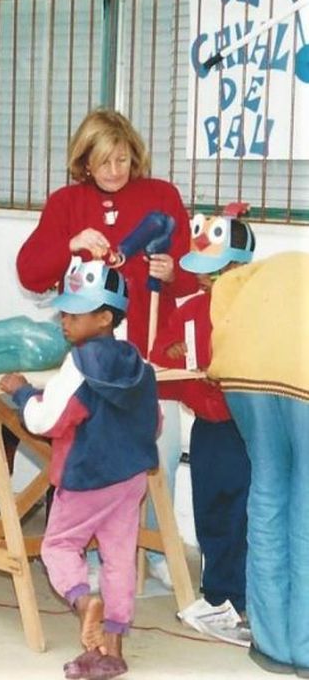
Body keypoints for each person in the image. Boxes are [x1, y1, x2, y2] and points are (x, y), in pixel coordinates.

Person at [16, 108, 196, 587]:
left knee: (159, 451)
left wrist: (173, 273)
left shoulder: (161, 196)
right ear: (84, 162)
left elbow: (192, 276)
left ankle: (155, 547)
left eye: (122, 160)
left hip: (150, 353)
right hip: (91, 359)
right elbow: (30, 273)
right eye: (103, 162)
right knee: (93, 457)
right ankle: (89, 553)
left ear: (135, 156)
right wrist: (69, 244)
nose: (115, 171)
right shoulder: (66, 202)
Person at [0, 259, 159, 680]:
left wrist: (23, 393)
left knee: (58, 546)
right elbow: (155, 421)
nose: (64, 320)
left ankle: (86, 603)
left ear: (105, 317)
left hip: (87, 475)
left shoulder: (80, 364)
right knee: (119, 556)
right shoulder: (136, 361)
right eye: (64, 312)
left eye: (75, 313)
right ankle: (112, 649)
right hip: (130, 476)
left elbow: (45, 421)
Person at [151, 205, 255, 642]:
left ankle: (244, 598)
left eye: (219, 270)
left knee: (244, 513)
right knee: (210, 509)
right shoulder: (191, 310)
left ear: (242, 269)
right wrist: (171, 356)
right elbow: (159, 360)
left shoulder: (256, 311)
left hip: (248, 428)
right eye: (204, 271)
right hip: (208, 428)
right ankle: (217, 596)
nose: (208, 279)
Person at [207, 251, 309, 675]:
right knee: (306, 508)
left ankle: (272, 645)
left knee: (267, 494)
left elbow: (222, 293)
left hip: (244, 373)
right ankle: (305, 648)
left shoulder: (269, 269)